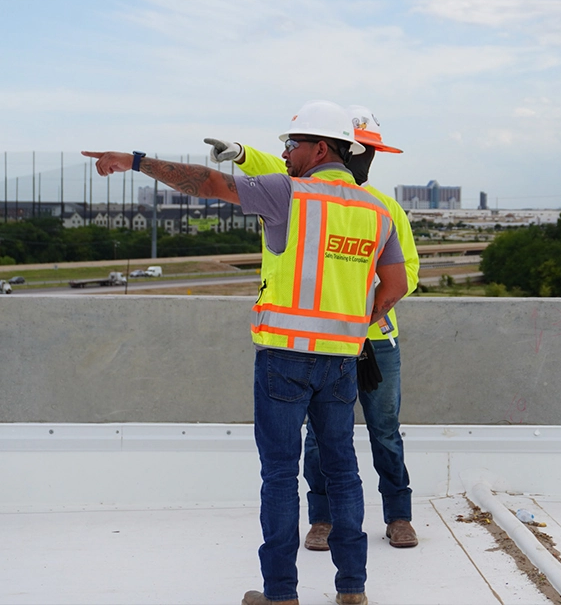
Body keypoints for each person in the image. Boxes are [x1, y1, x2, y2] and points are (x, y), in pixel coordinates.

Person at [83, 99, 409, 605]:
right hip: (343, 362)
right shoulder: (377, 209)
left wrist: (135, 160)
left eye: (291, 144)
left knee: (280, 474)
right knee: (344, 471)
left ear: (320, 147)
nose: (284, 152)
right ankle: (352, 590)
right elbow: (395, 285)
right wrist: (352, 326)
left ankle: (281, 594)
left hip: (283, 358)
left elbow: (208, 183)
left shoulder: (289, 193)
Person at [205, 104, 420, 552]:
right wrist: (244, 153)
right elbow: (285, 170)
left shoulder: (383, 207)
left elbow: (406, 275)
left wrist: (360, 314)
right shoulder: (310, 191)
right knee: (321, 444)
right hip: (327, 343)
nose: (366, 160)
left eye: (372, 153)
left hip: (373, 341)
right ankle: (321, 520)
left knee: (384, 429)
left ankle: (399, 515)